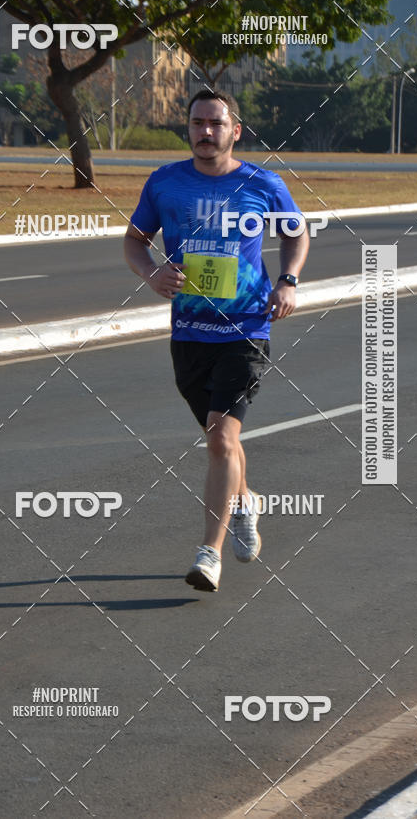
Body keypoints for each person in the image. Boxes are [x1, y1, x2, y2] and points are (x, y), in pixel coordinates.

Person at [124, 89, 309, 592]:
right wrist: (151, 274)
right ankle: (245, 501)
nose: (206, 132)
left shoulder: (261, 183)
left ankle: (209, 554)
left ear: (235, 131)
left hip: (246, 328)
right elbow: (134, 240)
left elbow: (297, 232)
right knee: (217, 438)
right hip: (188, 332)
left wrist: (287, 281)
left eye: (215, 124)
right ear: (188, 129)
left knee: (222, 437)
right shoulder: (165, 184)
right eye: (197, 123)